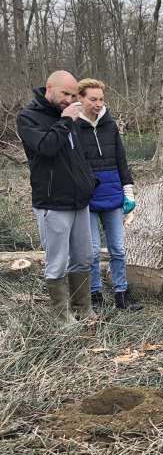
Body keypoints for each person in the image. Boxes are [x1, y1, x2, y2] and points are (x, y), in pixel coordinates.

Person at [17, 70, 97, 323]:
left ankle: (83, 308)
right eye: (65, 93)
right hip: (52, 203)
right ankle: (63, 317)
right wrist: (64, 121)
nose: (69, 99)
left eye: (73, 95)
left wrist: (88, 182)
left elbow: (76, 156)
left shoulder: (69, 118)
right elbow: (47, 148)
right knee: (58, 262)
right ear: (49, 87)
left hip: (79, 201)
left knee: (84, 257)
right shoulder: (28, 117)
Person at [74, 79, 142, 312]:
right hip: (87, 198)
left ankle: (122, 295)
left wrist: (128, 191)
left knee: (118, 250)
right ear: (80, 98)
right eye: (93, 99)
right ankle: (95, 296)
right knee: (92, 251)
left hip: (113, 194)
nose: (98, 103)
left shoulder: (110, 124)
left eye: (101, 99)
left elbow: (121, 159)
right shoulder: (72, 126)